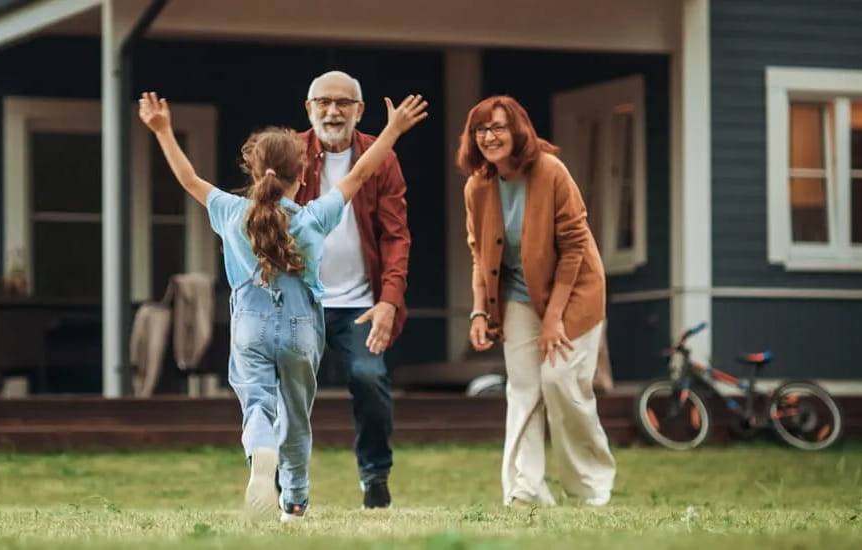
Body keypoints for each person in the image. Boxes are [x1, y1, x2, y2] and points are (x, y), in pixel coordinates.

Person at [138, 91, 427, 521]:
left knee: (257, 403)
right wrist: (393, 130)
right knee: (296, 416)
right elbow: (363, 171)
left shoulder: (230, 212)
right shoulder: (313, 218)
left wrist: (162, 130)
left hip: (250, 325)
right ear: (303, 172)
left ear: (254, 170)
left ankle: (261, 452)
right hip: (300, 329)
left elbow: (187, 178)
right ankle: (294, 503)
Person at [457, 95, 616, 508]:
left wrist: (555, 318)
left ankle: (590, 486)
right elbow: (480, 253)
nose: (489, 137)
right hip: (517, 295)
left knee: (562, 381)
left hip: (576, 291)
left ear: (518, 130)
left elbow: (575, 246)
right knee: (524, 387)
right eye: (481, 130)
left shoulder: (550, 171)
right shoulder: (477, 186)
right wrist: (479, 309)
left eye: (498, 127)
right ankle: (526, 488)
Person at [294, 71, 411, 509]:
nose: (332, 111)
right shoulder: (292, 152)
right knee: (288, 390)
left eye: (343, 103)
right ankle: (286, 484)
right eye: (323, 101)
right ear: (309, 108)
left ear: (360, 111)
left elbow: (396, 236)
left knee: (369, 377)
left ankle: (375, 475)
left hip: (361, 302)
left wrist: (388, 300)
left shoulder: (380, 159)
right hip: (300, 301)